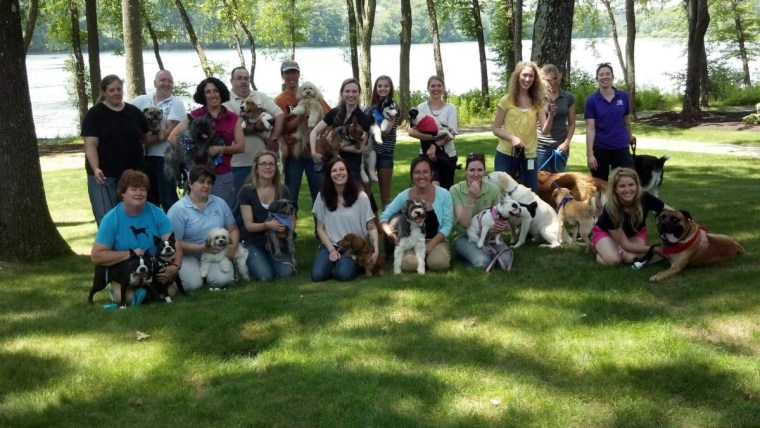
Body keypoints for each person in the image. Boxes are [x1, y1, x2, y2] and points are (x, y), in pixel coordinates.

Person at [91, 169, 182, 304]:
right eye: (133, 189)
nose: (139, 193)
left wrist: (175, 266)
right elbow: (96, 256)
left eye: (143, 190)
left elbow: (175, 243)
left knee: (170, 292)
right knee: (128, 299)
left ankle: (146, 292)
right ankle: (129, 292)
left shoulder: (157, 212)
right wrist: (130, 254)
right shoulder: (111, 219)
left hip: (152, 267)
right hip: (126, 270)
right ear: (122, 193)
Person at [82, 74, 150, 226]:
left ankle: (132, 248)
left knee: (133, 216)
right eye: (111, 90)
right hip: (104, 176)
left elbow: (145, 136)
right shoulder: (94, 115)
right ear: (104, 92)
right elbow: (90, 145)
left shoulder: (134, 112)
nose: (116, 93)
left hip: (131, 175)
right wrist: (96, 168)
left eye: (119, 89)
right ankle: (106, 249)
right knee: (107, 218)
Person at [167, 77, 245, 209]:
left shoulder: (232, 118)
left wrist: (219, 149)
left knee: (222, 214)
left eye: (216, 91)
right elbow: (172, 137)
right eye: (208, 92)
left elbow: (241, 146)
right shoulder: (194, 115)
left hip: (222, 174)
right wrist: (191, 150)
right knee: (196, 214)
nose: (212, 94)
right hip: (197, 175)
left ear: (221, 93)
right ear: (203, 96)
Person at [167, 165, 241, 290]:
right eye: (201, 182)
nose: (206, 186)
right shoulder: (178, 210)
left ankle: (210, 274)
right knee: (192, 285)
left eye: (209, 182)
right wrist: (202, 248)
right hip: (188, 254)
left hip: (216, 251)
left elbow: (233, 229)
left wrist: (232, 249)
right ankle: (194, 275)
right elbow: (174, 242)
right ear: (190, 184)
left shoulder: (220, 203)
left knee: (223, 281)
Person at [275, 60, 331, 217]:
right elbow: (283, 128)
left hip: (315, 153)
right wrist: (301, 118)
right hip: (294, 153)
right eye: (287, 73)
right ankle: (288, 232)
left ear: (299, 74)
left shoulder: (315, 95)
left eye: (294, 72)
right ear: (283, 76)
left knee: (320, 195)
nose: (291, 76)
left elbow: (329, 117)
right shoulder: (281, 100)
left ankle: (321, 233)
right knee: (290, 195)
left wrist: (323, 137)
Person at [379, 156, 453, 272]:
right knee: (410, 264)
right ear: (412, 175)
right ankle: (415, 258)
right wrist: (389, 233)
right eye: (417, 172)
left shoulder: (444, 195)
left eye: (425, 172)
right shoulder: (404, 195)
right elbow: (383, 217)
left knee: (438, 263)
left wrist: (430, 245)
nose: (421, 176)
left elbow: (447, 225)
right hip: (411, 240)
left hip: (435, 240)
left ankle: (430, 257)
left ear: (431, 174)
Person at [311, 157, 379, 282]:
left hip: (354, 248)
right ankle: (334, 263)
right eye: (334, 170)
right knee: (317, 275)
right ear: (329, 175)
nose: (338, 173)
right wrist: (331, 250)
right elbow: (320, 228)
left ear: (348, 172)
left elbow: (371, 226)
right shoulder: (322, 196)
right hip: (331, 244)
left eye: (342, 169)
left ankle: (344, 264)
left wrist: (376, 250)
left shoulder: (361, 197)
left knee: (343, 274)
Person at [492, 61, 555, 193]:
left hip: (529, 155)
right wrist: (512, 138)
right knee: (501, 193)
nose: (527, 79)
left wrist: (551, 115)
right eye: (524, 75)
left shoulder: (537, 102)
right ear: (517, 76)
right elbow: (496, 129)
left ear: (535, 79)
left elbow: (545, 130)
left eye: (531, 76)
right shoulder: (506, 100)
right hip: (505, 154)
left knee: (531, 193)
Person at [223, 66, 285, 198]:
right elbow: (232, 128)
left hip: (263, 163)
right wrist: (256, 128)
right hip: (238, 163)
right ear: (231, 81)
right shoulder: (225, 101)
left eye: (246, 78)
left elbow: (279, 114)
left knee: (265, 201)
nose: (243, 81)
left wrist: (274, 138)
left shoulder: (260, 97)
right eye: (239, 78)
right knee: (238, 203)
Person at [131, 70, 187, 212]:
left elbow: (169, 132)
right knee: (148, 198)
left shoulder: (176, 103)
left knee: (168, 198)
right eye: (162, 80)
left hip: (165, 158)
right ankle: (154, 231)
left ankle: (175, 231)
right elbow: (125, 114)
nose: (166, 83)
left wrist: (144, 141)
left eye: (169, 81)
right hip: (143, 158)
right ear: (155, 83)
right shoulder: (141, 100)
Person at [593, 167, 671, 266]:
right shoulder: (610, 209)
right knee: (614, 260)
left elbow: (670, 211)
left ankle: (614, 248)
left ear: (637, 185)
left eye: (631, 185)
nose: (627, 190)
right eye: (622, 186)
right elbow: (626, 245)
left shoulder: (644, 198)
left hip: (635, 232)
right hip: (606, 232)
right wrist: (655, 249)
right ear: (615, 189)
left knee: (630, 258)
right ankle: (597, 250)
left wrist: (692, 224)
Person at [237, 150, 296, 281]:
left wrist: (285, 231)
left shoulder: (283, 190)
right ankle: (254, 260)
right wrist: (268, 225)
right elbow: (249, 226)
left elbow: (292, 219)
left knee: (285, 273)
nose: (268, 167)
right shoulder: (246, 191)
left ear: (276, 167)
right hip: (254, 242)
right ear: (256, 168)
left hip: (278, 242)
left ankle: (274, 259)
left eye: (271, 164)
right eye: (263, 164)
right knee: (265, 276)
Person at [449, 153, 512, 269]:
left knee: (506, 261)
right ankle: (466, 253)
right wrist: (471, 198)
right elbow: (465, 223)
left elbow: (503, 219)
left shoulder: (493, 190)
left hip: (490, 236)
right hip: (465, 236)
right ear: (465, 172)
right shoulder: (455, 190)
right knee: (483, 262)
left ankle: (484, 252)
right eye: (472, 170)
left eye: (480, 170)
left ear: (484, 172)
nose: (476, 174)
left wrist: (501, 227)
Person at [310, 78, 375, 182]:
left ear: (359, 94)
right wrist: (313, 152)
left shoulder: (364, 119)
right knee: (329, 197)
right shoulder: (334, 112)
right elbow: (314, 131)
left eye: (354, 91)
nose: (351, 95)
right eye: (347, 91)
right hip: (332, 165)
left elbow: (359, 149)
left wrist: (334, 144)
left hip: (352, 166)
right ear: (342, 93)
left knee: (350, 197)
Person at [585, 62, 635, 182]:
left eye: (608, 74)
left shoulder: (623, 97)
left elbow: (626, 121)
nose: (604, 77)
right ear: (597, 78)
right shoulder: (591, 101)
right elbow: (590, 129)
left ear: (613, 77)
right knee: (600, 184)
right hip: (601, 147)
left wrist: (630, 137)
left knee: (627, 180)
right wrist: (590, 154)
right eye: (601, 75)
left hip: (621, 146)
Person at [407, 76, 459, 190]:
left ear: (444, 88)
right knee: (430, 190)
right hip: (426, 156)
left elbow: (452, 133)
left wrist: (435, 146)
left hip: (448, 156)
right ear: (428, 88)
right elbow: (411, 131)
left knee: (446, 192)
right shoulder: (421, 107)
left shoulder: (451, 108)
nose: (436, 88)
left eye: (439, 85)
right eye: (433, 86)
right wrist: (431, 137)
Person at [366, 75, 399, 209]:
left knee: (385, 196)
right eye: (379, 86)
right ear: (375, 88)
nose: (382, 88)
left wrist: (372, 129)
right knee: (365, 195)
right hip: (369, 154)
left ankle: (387, 228)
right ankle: (371, 227)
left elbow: (385, 131)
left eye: (386, 86)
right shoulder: (371, 108)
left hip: (385, 153)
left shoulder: (393, 106)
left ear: (390, 88)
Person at [537, 64, 576, 173]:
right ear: (542, 80)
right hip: (541, 146)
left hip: (560, 146)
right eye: (548, 80)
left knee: (558, 183)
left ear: (559, 78)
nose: (552, 82)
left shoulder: (568, 97)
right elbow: (543, 129)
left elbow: (572, 124)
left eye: (555, 78)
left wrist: (566, 143)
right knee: (539, 183)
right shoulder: (538, 98)